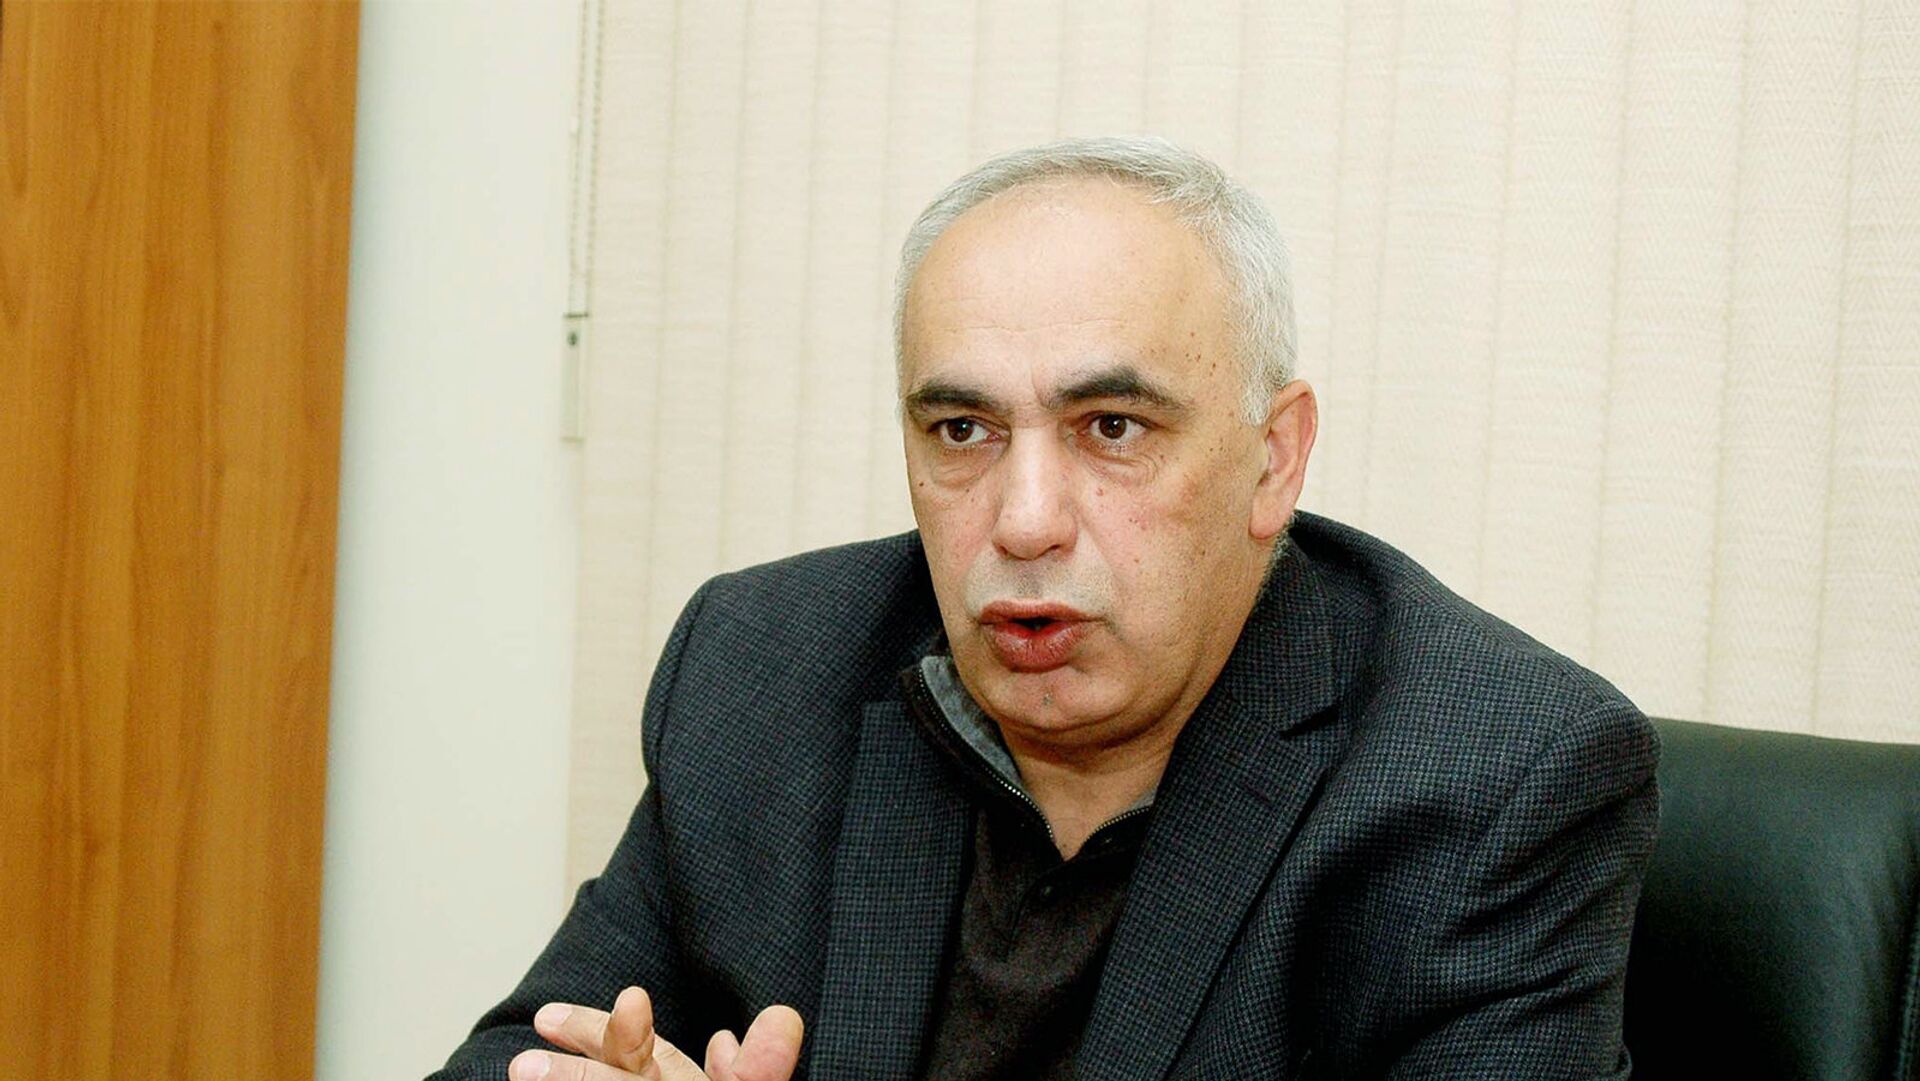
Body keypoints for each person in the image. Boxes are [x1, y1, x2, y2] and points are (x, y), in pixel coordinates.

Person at [430, 137, 1659, 1081]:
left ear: (1273, 458)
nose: (1023, 521)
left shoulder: (1495, 783)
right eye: (962, 431)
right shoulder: (763, 671)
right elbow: (515, 1055)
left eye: (1110, 428)